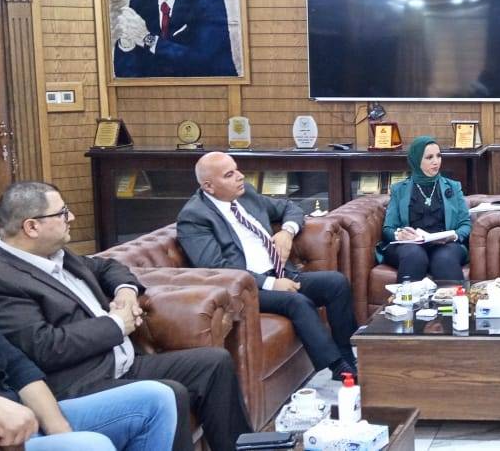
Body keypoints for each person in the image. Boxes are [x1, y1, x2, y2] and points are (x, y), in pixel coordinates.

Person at [0, 181, 251, 451]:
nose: (71, 217)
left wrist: (125, 292)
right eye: (62, 213)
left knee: (213, 362)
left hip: (123, 361)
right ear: (32, 227)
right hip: (81, 382)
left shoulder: (53, 253)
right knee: (170, 393)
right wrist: (116, 325)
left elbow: (107, 268)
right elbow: (44, 347)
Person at [176, 152, 358, 381]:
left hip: (281, 272)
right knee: (297, 301)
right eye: (229, 175)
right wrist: (270, 283)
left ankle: (348, 355)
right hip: (246, 289)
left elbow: (290, 208)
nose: (240, 176)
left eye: (237, 169)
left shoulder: (246, 194)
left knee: (336, 283)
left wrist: (287, 232)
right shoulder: (194, 217)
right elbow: (216, 268)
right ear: (209, 186)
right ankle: (338, 367)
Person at [0, 295, 176, 451]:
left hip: (19, 418)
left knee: (156, 398)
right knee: (91, 446)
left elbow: (16, 365)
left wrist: (58, 428)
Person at [378, 136, 472, 282]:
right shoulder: (399, 190)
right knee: (414, 255)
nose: (436, 161)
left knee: (444, 258)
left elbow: (465, 224)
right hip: (409, 246)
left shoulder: (453, 187)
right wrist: (399, 235)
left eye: (438, 156)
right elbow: (388, 228)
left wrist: (453, 236)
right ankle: (408, 297)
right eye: (429, 157)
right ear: (416, 160)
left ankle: (451, 297)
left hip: (445, 245)